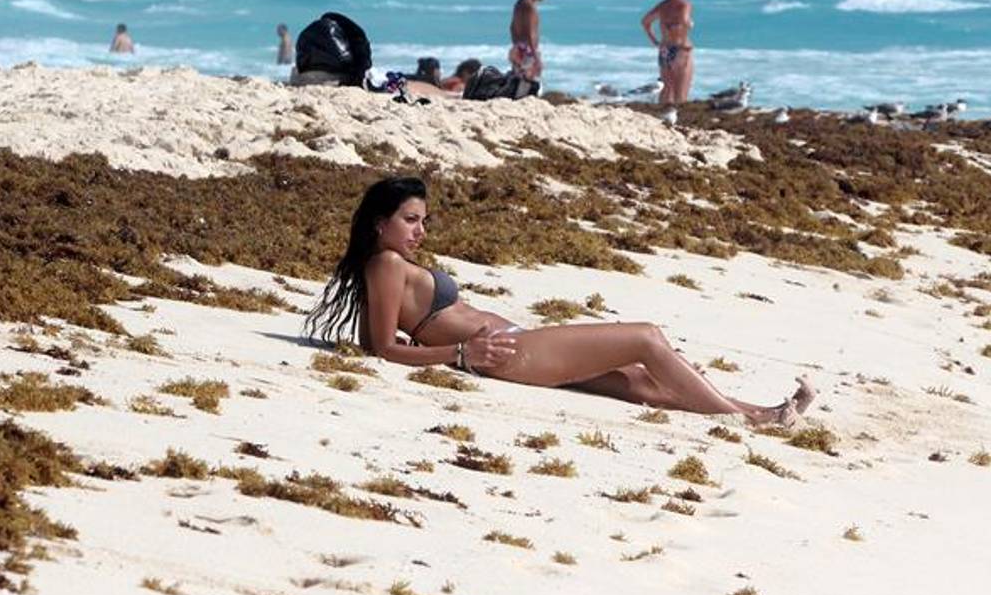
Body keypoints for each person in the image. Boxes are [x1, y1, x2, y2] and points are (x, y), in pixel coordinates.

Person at [305, 177, 816, 424]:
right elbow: (382, 349)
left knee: (640, 381)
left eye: (423, 220)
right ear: (381, 223)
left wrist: (449, 349)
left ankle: (768, 413)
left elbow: (378, 338)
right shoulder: (386, 264)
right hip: (513, 355)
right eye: (410, 220)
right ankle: (748, 420)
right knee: (646, 338)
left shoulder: (385, 266)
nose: (420, 230)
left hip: (515, 347)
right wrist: (461, 354)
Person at [642, 0, 694, 105]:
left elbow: (645, 21)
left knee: (666, 92)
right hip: (681, 50)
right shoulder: (684, 4)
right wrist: (689, 24)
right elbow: (684, 19)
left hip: (664, 50)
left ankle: (663, 117)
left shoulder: (663, 5)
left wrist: (655, 41)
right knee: (680, 95)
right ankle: (677, 118)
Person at [508, 0, 552, 83]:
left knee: (519, 82)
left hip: (519, 48)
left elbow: (512, 28)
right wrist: (536, 57)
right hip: (527, 51)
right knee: (528, 83)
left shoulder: (520, 2)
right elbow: (530, 33)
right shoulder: (530, 6)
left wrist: (517, 46)